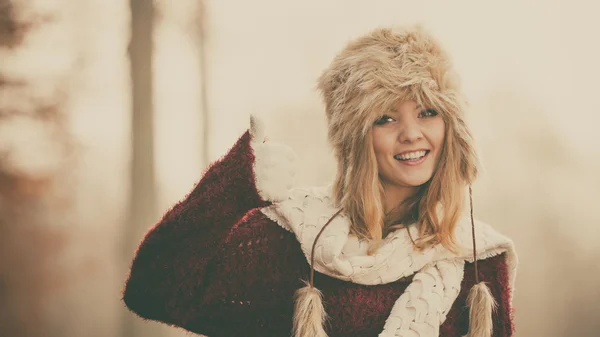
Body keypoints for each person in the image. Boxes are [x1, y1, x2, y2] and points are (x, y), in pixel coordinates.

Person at [122, 25, 517, 337]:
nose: (411, 133)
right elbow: (153, 289)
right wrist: (234, 184)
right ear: (355, 138)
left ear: (453, 128)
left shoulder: (479, 259)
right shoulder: (292, 237)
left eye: (428, 112)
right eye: (385, 117)